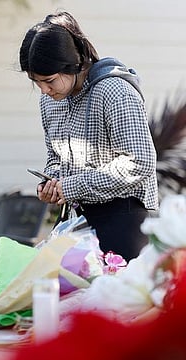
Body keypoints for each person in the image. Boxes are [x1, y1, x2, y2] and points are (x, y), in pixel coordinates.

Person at [19, 11, 158, 261]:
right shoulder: (50, 101)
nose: (43, 90)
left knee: (112, 300)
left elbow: (141, 162)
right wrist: (52, 183)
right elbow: (55, 156)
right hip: (76, 223)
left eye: (49, 81)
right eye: (36, 82)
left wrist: (71, 186)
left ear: (74, 65)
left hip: (123, 222)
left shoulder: (115, 91)